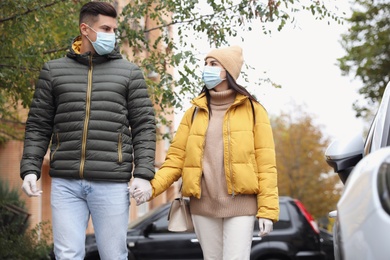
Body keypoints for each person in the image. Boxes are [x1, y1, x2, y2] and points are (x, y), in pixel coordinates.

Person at [20, 2, 156, 260]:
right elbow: (38, 123)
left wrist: (143, 173)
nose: (112, 34)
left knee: (113, 255)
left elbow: (144, 125)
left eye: (114, 29)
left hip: (112, 182)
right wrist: (30, 168)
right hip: (65, 182)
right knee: (67, 255)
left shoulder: (129, 73)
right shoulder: (53, 71)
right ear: (85, 29)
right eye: (105, 28)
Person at [131, 45, 279, 260]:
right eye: (205, 64)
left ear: (227, 71)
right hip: (203, 207)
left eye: (213, 64)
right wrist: (151, 188)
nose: (206, 69)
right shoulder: (193, 113)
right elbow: (175, 161)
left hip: (240, 205)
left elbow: (266, 165)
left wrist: (267, 210)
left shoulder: (254, 111)